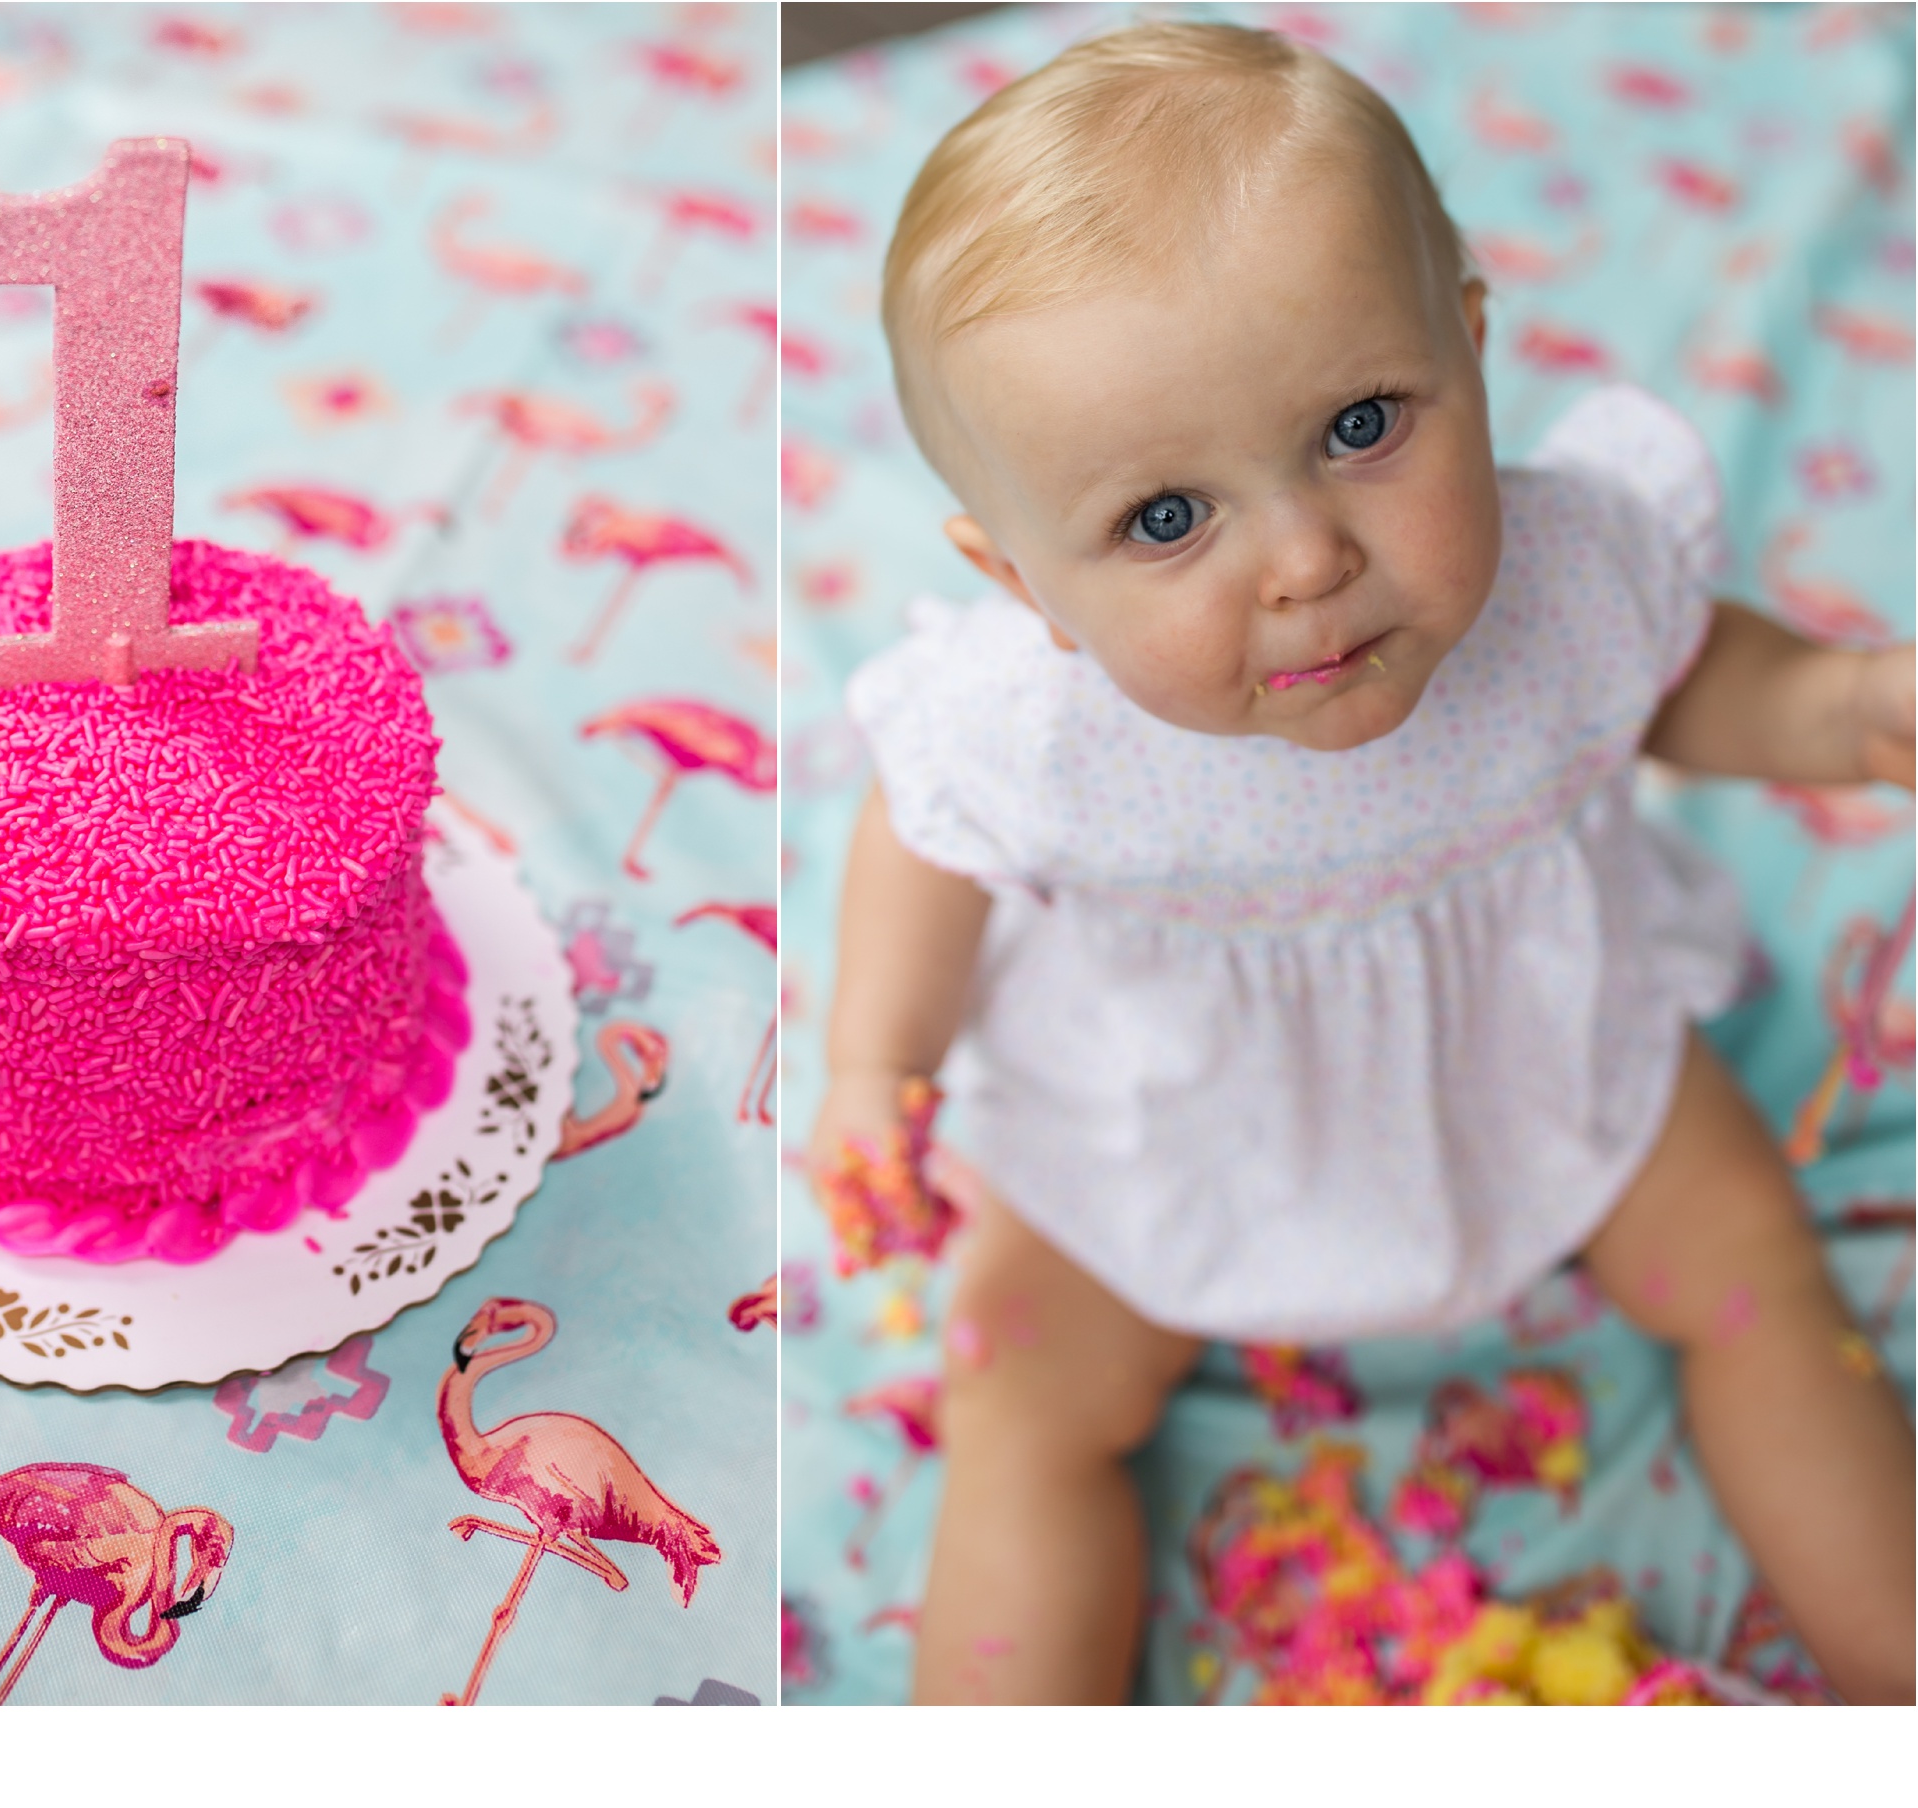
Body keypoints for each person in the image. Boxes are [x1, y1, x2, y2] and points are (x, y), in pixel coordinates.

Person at [813, 20, 1916, 1705]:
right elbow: (922, 843)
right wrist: (873, 1057)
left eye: (1358, 423)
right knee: (1022, 1404)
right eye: (1166, 520)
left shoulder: (1565, 577)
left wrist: (1847, 706)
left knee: (1754, 1270)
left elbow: (1694, 677)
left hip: (1542, 1048)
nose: (1309, 560)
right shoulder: (1026, 725)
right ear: (1025, 583)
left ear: (1466, 346)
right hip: (1160, 1120)